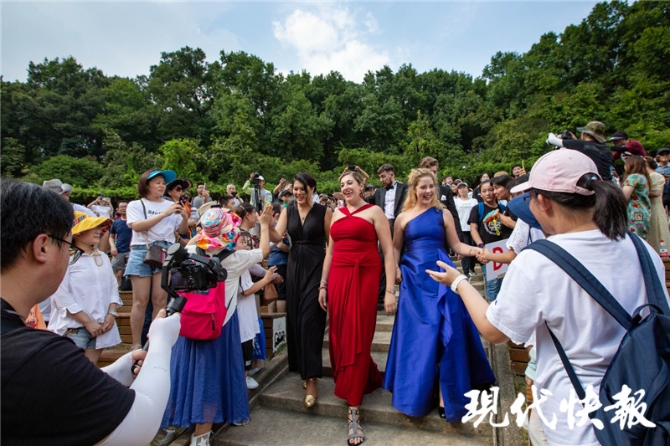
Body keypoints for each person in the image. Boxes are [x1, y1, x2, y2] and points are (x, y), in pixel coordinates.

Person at [426, 148, 669, 445]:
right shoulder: (642, 250)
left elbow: (494, 330)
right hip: (646, 409)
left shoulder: (540, 261)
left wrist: (459, 281)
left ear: (543, 202)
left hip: (578, 423)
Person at [1, 180, 181, 446]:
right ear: (42, 247)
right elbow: (138, 426)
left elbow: (48, 390)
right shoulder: (36, 355)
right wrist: (162, 342)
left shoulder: (29, 355)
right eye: (66, 243)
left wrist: (112, 373)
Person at [383, 168, 495, 423]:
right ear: (414, 189)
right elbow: (395, 249)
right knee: (419, 338)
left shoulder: (442, 213)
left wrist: (479, 251)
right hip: (414, 281)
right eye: (423, 187)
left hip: (442, 278)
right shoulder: (402, 218)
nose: (428, 191)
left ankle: (446, 393)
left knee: (447, 333)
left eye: (431, 186)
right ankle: (418, 392)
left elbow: (456, 245)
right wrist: (395, 272)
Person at [161, 206, 274, 446]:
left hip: (189, 322)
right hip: (218, 326)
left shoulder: (190, 251)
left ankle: (184, 422)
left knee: (187, 375)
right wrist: (264, 225)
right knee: (209, 379)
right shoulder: (234, 258)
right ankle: (201, 436)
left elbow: (191, 245)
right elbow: (264, 251)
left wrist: (201, 234)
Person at [318, 170, 397, 445]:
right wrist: (323, 284)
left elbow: (388, 251)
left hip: (365, 277)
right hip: (338, 278)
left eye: (350, 182)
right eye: (342, 184)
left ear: (362, 185)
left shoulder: (375, 211)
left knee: (358, 335)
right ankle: (361, 376)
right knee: (339, 335)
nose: (345, 187)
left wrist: (390, 291)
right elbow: (329, 252)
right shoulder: (336, 213)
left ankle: (353, 410)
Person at [268, 173, 331, 408]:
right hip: (294, 267)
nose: (298, 193)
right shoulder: (289, 210)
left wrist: (325, 281)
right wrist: (267, 224)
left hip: (316, 267)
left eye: (302, 189)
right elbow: (277, 237)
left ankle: (312, 378)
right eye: (295, 189)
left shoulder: (324, 212)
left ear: (312, 189)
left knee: (310, 321)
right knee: (296, 320)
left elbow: (331, 246)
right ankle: (304, 370)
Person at [125, 169, 189, 348]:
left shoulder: (171, 205)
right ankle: (136, 344)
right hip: (142, 249)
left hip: (166, 250)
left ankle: (153, 343)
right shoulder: (136, 204)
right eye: (157, 182)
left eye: (163, 183)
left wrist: (184, 217)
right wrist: (164, 214)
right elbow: (137, 226)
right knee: (140, 300)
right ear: (146, 184)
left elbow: (181, 230)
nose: (161, 186)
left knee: (160, 300)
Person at [48, 211, 122, 364]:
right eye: (92, 227)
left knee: (89, 371)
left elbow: (113, 286)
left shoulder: (102, 257)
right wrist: (88, 322)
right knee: (71, 372)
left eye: (99, 227)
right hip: (74, 328)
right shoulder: (65, 258)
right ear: (78, 232)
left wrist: (111, 313)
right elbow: (60, 295)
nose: (98, 231)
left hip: (101, 327)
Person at [468, 179, 513, 301]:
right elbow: (473, 229)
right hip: (487, 251)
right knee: (492, 284)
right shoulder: (478, 208)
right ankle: (490, 309)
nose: (488, 193)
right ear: (480, 194)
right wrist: (480, 245)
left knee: (505, 283)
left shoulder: (503, 208)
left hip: (503, 252)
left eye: (490, 190)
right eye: (484, 191)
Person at [546, 121, 613, 181]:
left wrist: (551, 134)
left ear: (585, 134)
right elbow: (589, 149)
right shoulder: (606, 148)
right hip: (608, 182)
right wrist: (574, 140)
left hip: (594, 181)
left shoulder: (580, 144)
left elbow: (552, 140)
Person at [643, 156, 670, 253]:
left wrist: (639, 192)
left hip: (655, 207)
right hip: (647, 208)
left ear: (646, 164)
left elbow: (656, 193)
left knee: (657, 232)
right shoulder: (644, 177)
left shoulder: (655, 176)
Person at [622, 156, 651, 240]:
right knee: (642, 238)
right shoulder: (643, 177)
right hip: (644, 211)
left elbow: (624, 197)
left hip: (634, 212)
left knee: (634, 238)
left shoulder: (633, 177)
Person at [453, 182, 478, 278]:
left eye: (464, 187)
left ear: (468, 189)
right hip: (461, 228)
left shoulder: (474, 201)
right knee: (464, 249)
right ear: (458, 190)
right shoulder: (456, 201)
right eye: (460, 188)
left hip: (473, 228)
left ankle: (472, 267)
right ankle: (466, 271)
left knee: (473, 247)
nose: (462, 190)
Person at [109, 200, 132, 286]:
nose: (123, 209)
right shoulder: (116, 222)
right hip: (119, 250)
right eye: (121, 207)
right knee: (116, 272)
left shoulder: (134, 221)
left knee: (131, 272)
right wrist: (112, 246)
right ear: (117, 209)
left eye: (125, 207)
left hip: (132, 250)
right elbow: (111, 236)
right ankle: (116, 289)